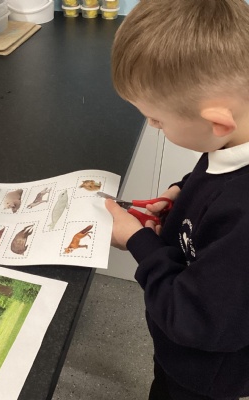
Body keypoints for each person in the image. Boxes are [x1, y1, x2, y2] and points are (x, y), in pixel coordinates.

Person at [105, 1, 249, 399]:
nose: (153, 126)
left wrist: (139, 243)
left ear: (217, 122)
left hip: (204, 373)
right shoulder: (236, 136)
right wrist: (182, 193)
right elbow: (218, 173)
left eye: (157, 119)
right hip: (179, 351)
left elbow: (193, 318)